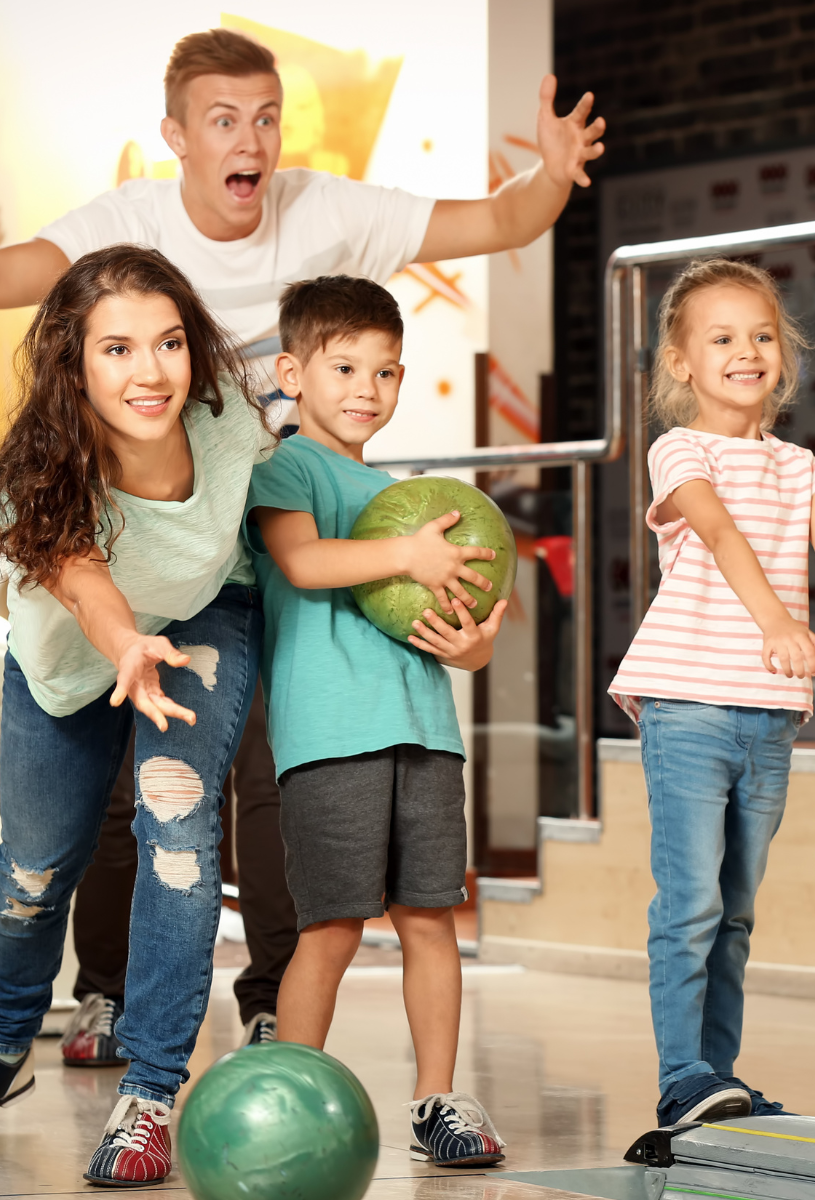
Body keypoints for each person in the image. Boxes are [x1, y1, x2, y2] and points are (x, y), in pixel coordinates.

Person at [0, 26, 605, 1058]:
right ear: (175, 136)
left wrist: (550, 177)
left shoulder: (328, 212)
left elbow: (499, 217)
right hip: (147, 538)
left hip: (265, 536)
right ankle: (100, 993)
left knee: (270, 775)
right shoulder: (125, 228)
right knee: (111, 788)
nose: (252, 139)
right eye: (224, 119)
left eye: (266, 117)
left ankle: (268, 996)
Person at [0, 247, 483, 1188]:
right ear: (74, 364)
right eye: (119, 349)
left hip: (207, 624)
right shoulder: (37, 472)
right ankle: (1, 1047)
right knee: (34, 871)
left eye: (168, 342)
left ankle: (153, 1095)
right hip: (76, 658)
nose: (151, 371)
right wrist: (126, 640)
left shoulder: (228, 430)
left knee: (176, 828)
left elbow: (305, 526)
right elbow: (84, 583)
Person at [607, 259, 815, 1127]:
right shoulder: (681, 450)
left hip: (770, 719)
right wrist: (777, 623)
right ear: (681, 363)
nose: (746, 351)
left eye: (761, 336)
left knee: (736, 913)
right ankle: (681, 1076)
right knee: (691, 901)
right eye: (721, 338)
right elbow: (715, 531)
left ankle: (719, 1075)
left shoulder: (800, 468)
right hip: (688, 709)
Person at [244, 275, 509, 1165]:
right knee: (332, 927)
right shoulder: (286, 469)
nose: (367, 389)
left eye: (387, 373)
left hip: (425, 732)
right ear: (292, 371)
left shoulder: (404, 495)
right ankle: (291, 1095)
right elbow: (307, 560)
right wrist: (409, 552)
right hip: (328, 741)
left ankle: (438, 1102)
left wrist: (472, 648)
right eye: (346, 366)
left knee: (430, 919)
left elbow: (437, 630)